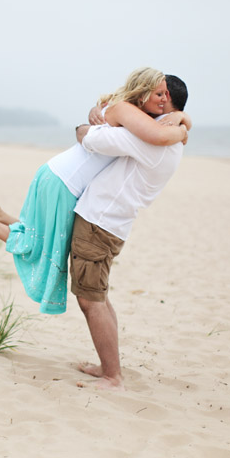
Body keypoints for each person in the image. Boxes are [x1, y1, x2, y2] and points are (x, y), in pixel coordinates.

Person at [0, 67, 190, 316]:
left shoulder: (123, 109)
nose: (163, 99)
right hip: (64, 181)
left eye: (166, 95)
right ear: (143, 91)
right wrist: (182, 128)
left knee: (45, 241)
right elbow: (156, 134)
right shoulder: (126, 110)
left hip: (60, 176)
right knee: (44, 250)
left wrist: (182, 118)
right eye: (159, 93)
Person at [72, 74, 189, 390]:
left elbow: (92, 139)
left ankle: (112, 375)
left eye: (157, 94)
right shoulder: (168, 137)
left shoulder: (151, 139)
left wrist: (84, 127)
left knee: (90, 299)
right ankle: (108, 367)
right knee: (99, 297)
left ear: (165, 101)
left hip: (100, 222)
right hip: (111, 222)